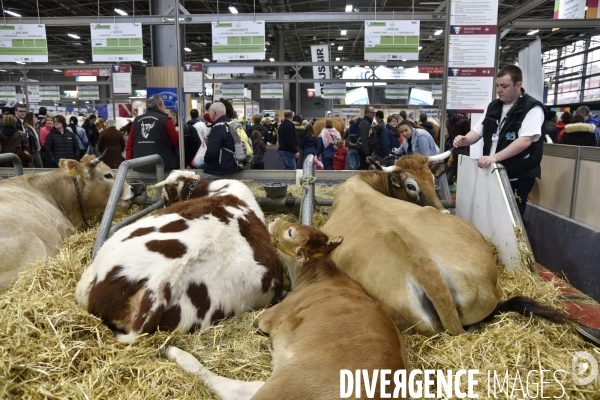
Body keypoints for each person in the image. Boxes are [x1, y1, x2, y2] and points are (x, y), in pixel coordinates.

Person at [453, 65, 545, 216]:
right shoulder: (493, 106)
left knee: (510, 218)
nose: (499, 90)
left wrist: (494, 158)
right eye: (497, 86)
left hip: (517, 176)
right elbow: (478, 131)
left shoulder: (532, 108)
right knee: (489, 214)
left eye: (504, 86)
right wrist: (464, 140)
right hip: (492, 172)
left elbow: (525, 141)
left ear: (518, 85)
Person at [126, 94, 179, 172]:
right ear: (159, 106)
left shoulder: (137, 120)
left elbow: (130, 144)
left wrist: (130, 163)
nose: (165, 107)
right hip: (161, 167)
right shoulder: (166, 120)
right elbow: (176, 143)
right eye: (164, 105)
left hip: (140, 166)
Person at [203, 102, 238, 175]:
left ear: (214, 113)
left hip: (222, 167)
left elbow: (212, 152)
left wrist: (205, 159)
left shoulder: (218, 127)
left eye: (209, 111)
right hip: (234, 163)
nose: (208, 113)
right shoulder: (230, 124)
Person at [445, 113, 471, 185]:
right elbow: (468, 135)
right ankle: (463, 187)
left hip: (455, 147)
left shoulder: (450, 122)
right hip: (464, 148)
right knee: (464, 169)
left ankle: (444, 185)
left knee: (453, 169)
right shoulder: (465, 121)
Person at [357, 105, 376, 170]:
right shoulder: (364, 123)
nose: (374, 114)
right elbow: (364, 139)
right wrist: (367, 154)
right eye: (372, 113)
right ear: (367, 112)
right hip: (364, 152)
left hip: (366, 151)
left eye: (374, 113)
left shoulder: (368, 122)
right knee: (364, 170)